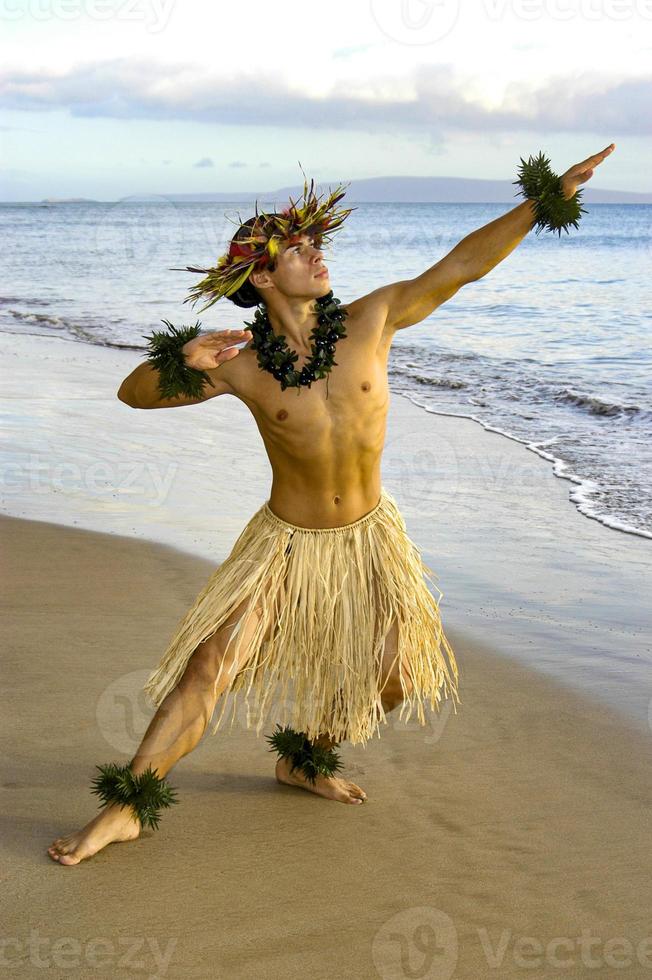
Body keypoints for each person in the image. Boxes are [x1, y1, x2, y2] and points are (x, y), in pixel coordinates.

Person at [48, 145, 615, 865]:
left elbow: (462, 265)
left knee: (396, 676)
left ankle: (307, 758)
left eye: (318, 244)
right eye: (299, 249)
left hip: (370, 540)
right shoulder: (242, 365)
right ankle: (125, 810)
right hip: (283, 547)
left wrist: (545, 201)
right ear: (261, 274)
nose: (318, 255)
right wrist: (178, 360)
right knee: (209, 668)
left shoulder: (373, 320)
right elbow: (133, 395)